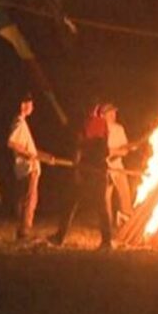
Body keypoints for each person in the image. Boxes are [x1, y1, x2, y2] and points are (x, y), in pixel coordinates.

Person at [49, 104, 113, 250]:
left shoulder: (88, 123)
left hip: (90, 169)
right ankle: (106, 241)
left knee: (76, 202)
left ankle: (60, 237)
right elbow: (103, 149)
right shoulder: (99, 123)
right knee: (87, 204)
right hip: (96, 169)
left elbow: (79, 148)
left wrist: (77, 169)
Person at [8, 93, 41, 241]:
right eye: (30, 104)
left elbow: (28, 148)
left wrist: (42, 156)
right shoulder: (19, 123)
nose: (32, 107)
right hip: (27, 168)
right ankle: (24, 232)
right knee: (29, 200)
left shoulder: (22, 123)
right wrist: (28, 154)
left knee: (26, 200)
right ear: (23, 105)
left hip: (27, 167)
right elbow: (11, 143)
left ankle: (22, 231)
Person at [101, 103, 134, 228]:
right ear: (103, 115)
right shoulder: (101, 130)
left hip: (118, 167)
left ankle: (127, 222)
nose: (113, 115)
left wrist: (114, 152)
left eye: (114, 113)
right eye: (110, 113)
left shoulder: (119, 129)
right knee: (106, 198)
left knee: (125, 194)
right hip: (105, 168)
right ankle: (107, 225)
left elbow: (124, 150)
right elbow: (101, 151)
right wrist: (111, 152)